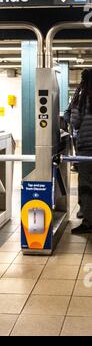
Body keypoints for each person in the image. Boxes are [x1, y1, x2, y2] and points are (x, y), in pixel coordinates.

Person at [70, 69, 92, 234]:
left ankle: (88, 222)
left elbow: (75, 122)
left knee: (86, 185)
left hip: (86, 148)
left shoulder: (82, 98)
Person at [64, 88, 83, 219]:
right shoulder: (79, 98)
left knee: (84, 177)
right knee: (84, 175)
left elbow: (73, 119)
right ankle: (84, 208)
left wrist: (73, 123)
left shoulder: (79, 98)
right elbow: (67, 113)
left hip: (82, 140)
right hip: (79, 139)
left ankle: (84, 210)